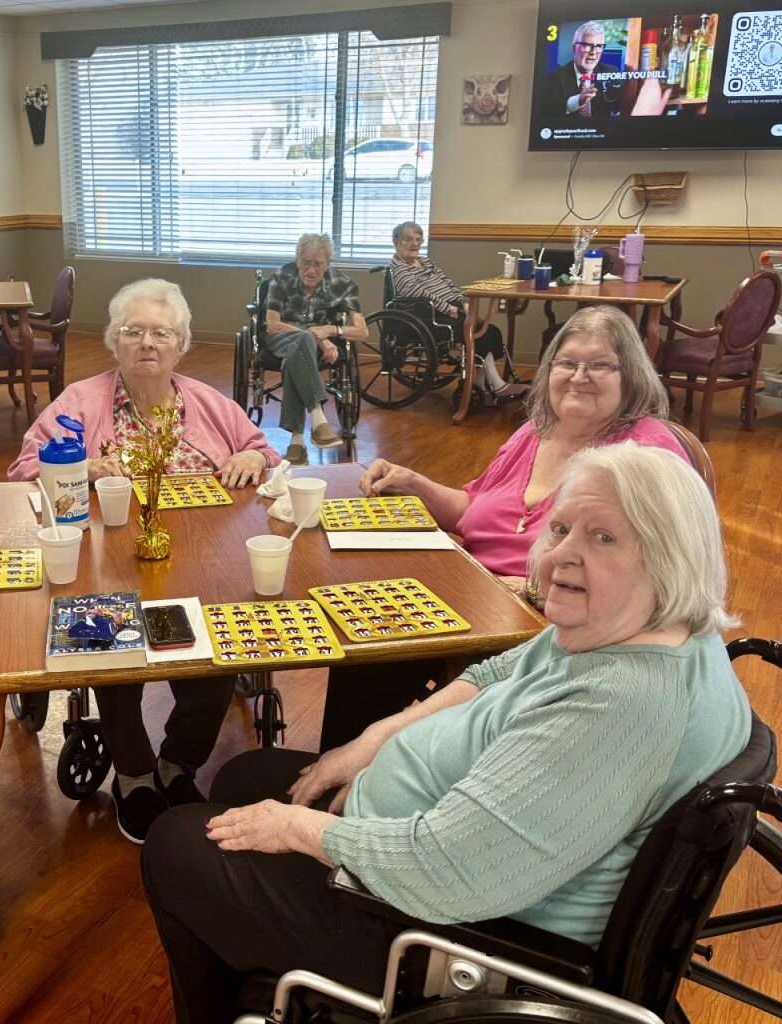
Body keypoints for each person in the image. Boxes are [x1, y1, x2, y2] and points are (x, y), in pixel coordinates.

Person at [142, 443, 749, 1024]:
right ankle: (259, 972)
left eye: (605, 537)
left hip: (454, 936)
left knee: (176, 845)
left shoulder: (620, 709)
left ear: (670, 557)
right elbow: (500, 670)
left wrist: (303, 829)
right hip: (440, 856)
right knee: (246, 774)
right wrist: (374, 741)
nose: (564, 554)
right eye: (561, 529)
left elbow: (448, 870)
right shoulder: (648, 629)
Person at [321, 304, 690, 750]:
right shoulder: (537, 431)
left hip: (551, 627)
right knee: (366, 632)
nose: (579, 376)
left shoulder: (642, 454)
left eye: (600, 366)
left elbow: (653, 575)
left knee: (383, 648)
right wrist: (414, 482)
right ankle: (342, 770)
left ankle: (379, 770)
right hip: (475, 598)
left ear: (630, 375)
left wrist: (535, 588)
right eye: (567, 362)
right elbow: (474, 510)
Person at [9, 279, 278, 842]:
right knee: (107, 646)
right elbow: (23, 469)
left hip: (202, 557)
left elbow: (264, 450)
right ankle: (132, 773)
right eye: (133, 332)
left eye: (161, 333)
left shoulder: (206, 401)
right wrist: (80, 469)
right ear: (114, 341)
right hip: (111, 559)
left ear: (180, 344)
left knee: (216, 646)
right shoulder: (81, 402)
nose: (147, 344)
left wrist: (250, 458)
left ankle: (178, 763)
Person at [263, 233, 369, 466]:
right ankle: (318, 417)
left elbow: (362, 331)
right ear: (297, 260)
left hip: (305, 352)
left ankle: (297, 441)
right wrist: (317, 337)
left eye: (318, 264)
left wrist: (330, 330)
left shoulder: (344, 284)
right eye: (305, 263)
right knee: (302, 341)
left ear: (328, 264)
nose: (311, 270)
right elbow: (271, 324)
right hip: (281, 339)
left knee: (294, 360)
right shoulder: (281, 277)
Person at [388, 220, 524, 398]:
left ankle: (480, 383)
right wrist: (447, 308)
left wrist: (463, 301)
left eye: (418, 239)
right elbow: (417, 293)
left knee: (490, 331)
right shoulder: (399, 268)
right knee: (476, 332)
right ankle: (496, 385)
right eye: (408, 239)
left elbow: (448, 283)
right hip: (427, 316)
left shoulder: (425, 262)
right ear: (396, 241)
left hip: (450, 308)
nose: (414, 244)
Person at [539, 21, 625, 120]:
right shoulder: (555, 78)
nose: (593, 52)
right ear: (574, 48)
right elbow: (549, 111)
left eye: (599, 46)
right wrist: (578, 101)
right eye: (587, 45)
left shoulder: (611, 73)